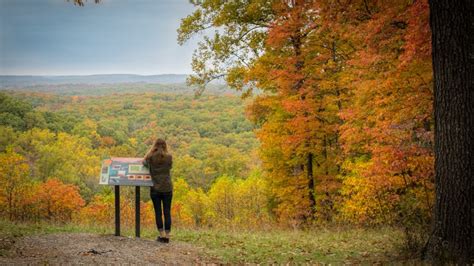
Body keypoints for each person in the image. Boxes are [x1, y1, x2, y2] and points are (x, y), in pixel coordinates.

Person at [144, 138, 173, 243]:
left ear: (154, 145)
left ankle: (161, 235)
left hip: (155, 188)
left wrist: (150, 152)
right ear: (165, 145)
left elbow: (144, 163)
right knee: (167, 212)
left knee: (158, 212)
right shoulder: (169, 157)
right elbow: (170, 167)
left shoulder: (150, 157)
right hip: (167, 187)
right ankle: (167, 235)